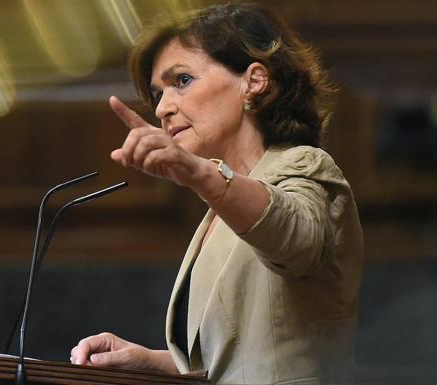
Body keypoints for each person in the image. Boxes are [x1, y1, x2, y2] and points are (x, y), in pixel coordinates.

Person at [70, 2, 363, 384]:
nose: (162, 108)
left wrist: (199, 173)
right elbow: (240, 360)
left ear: (254, 81)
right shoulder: (218, 210)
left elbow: (296, 238)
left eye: (183, 81)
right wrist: (148, 361)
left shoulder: (304, 165)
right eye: (158, 93)